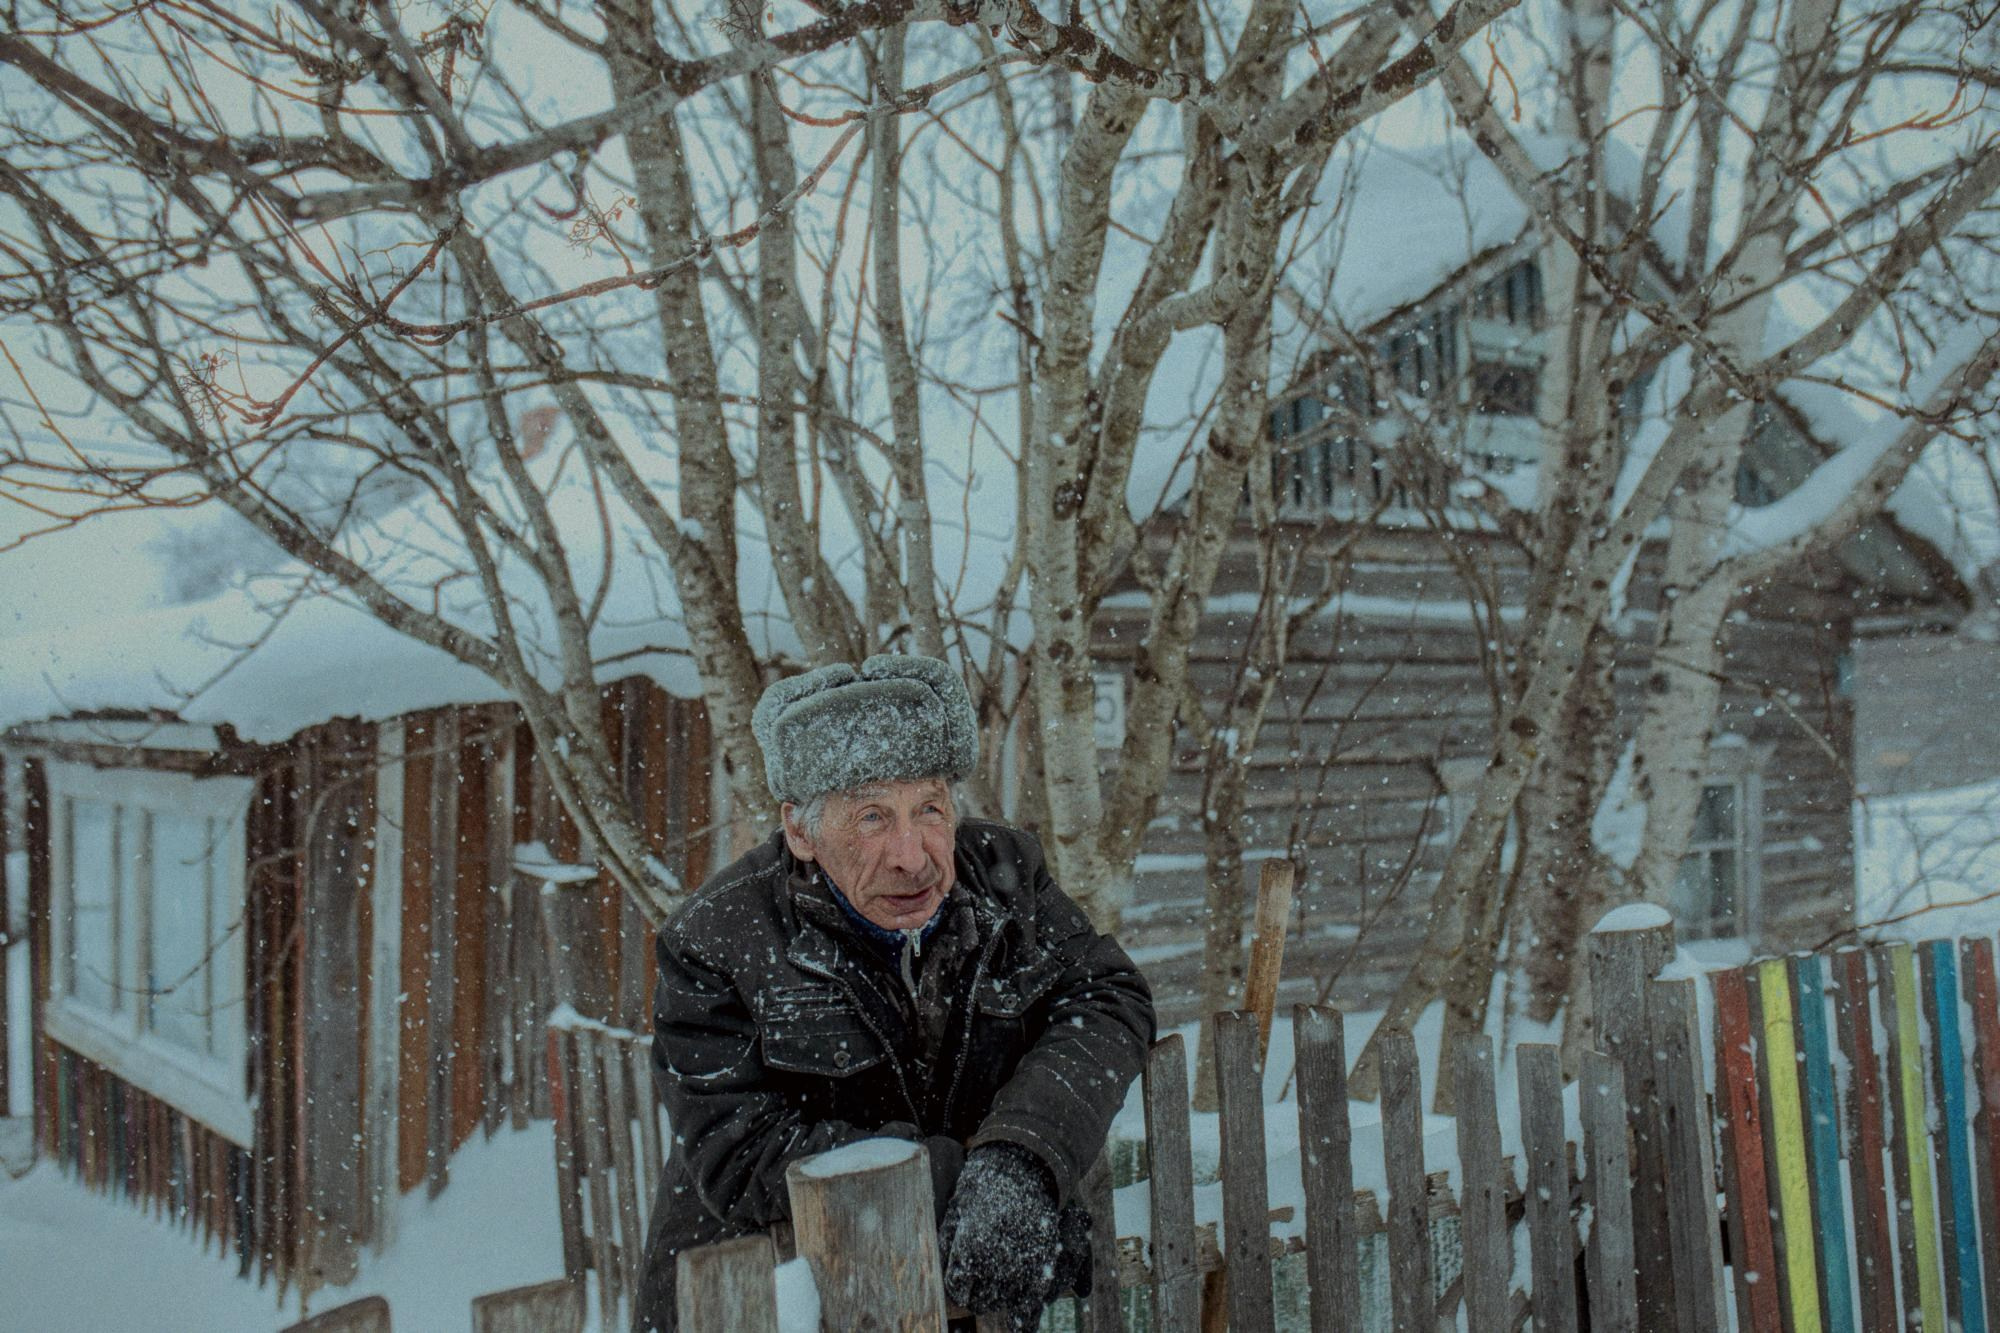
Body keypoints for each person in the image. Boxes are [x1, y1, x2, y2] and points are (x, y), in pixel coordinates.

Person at [633, 654, 1155, 1332]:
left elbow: (1108, 996)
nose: (912, 854)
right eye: (873, 817)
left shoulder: (1004, 877)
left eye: (929, 808)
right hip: (780, 1300)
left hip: (954, 1304)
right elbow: (742, 1150)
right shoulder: (715, 940)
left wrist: (1023, 1156)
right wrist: (960, 1183)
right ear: (801, 831)